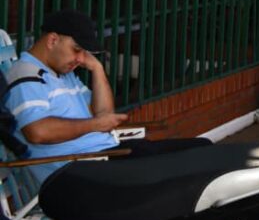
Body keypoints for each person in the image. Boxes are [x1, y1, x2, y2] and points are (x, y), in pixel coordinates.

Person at [3, 9, 210, 186]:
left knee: (201, 148)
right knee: (191, 164)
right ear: (53, 40)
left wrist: (97, 68)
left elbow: (104, 114)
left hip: (105, 155)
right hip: (82, 170)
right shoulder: (27, 76)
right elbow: (37, 132)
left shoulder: (65, 75)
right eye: (76, 50)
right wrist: (94, 125)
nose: (79, 58)